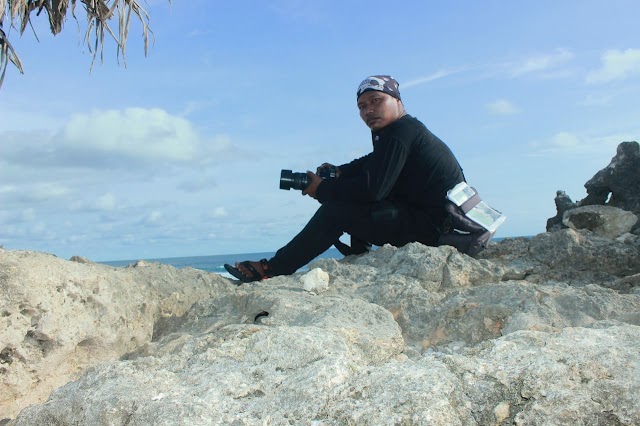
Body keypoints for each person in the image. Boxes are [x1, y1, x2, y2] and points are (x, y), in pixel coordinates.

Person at [224, 75, 465, 282]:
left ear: (398, 101)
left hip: (438, 231)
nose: (368, 110)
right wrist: (341, 171)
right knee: (352, 196)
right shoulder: (399, 130)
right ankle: (358, 252)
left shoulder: (400, 132)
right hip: (434, 221)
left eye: (376, 101)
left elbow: (373, 190)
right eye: (361, 106)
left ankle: (273, 269)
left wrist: (323, 190)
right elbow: (374, 161)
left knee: (338, 208)